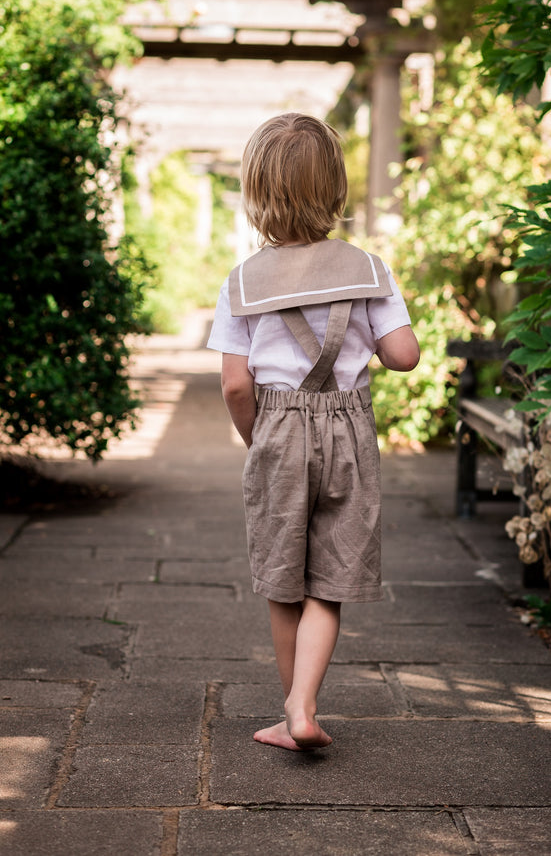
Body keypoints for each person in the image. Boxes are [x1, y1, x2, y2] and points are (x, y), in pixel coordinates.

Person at [207, 113, 419, 751]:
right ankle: (304, 704)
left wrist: (258, 440)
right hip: (349, 431)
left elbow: (235, 386)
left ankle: (290, 711)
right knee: (331, 574)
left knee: (283, 576)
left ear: (258, 194)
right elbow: (404, 355)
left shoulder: (243, 282)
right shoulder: (368, 269)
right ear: (336, 190)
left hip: (277, 428)